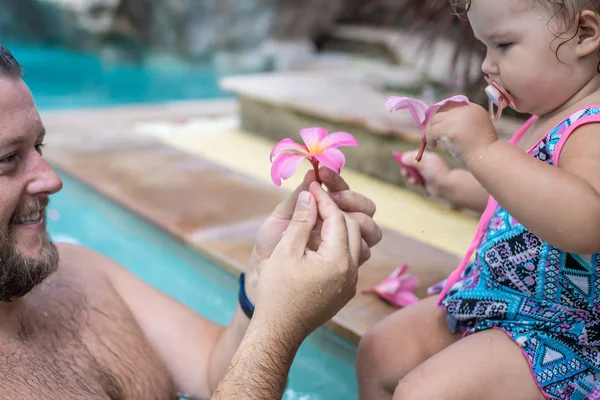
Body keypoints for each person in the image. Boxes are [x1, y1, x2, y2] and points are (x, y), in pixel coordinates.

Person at [0, 44, 383, 399]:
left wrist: (261, 288)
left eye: (39, 147)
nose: (52, 179)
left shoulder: (81, 272)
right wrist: (276, 332)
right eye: (7, 159)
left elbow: (212, 372)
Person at [356, 0, 600, 399]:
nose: (487, 65)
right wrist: (450, 183)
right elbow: (515, 195)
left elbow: (588, 221)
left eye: (503, 45)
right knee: (380, 349)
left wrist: (484, 150)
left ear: (584, 36)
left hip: (564, 335)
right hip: (501, 301)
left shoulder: (592, 127)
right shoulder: (547, 117)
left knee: (424, 393)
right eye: (484, 47)